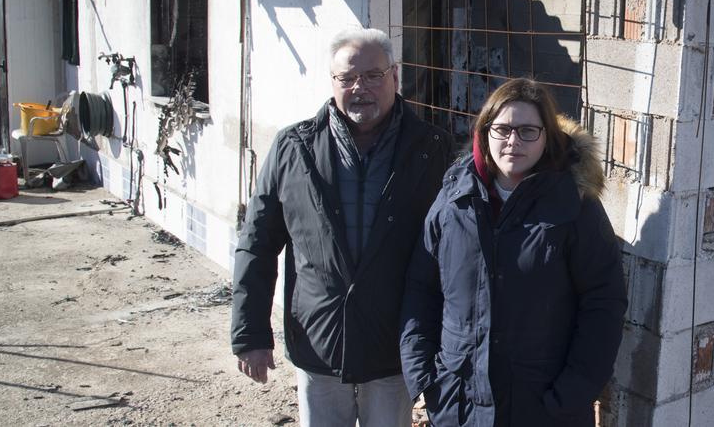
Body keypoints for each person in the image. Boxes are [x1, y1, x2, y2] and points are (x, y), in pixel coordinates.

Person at [231, 28, 452, 426]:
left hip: (394, 344)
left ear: (395, 76)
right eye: (347, 78)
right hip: (319, 341)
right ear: (333, 82)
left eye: (372, 75)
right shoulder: (292, 148)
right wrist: (250, 334)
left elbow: (452, 250)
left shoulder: (432, 149)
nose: (359, 88)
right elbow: (257, 244)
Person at [400, 78, 627, 426]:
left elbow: (603, 303)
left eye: (527, 131)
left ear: (547, 135)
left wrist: (573, 393)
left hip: (543, 407)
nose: (513, 141)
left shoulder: (574, 206)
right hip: (459, 403)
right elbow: (421, 286)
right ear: (484, 131)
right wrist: (424, 378)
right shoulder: (453, 198)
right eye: (502, 129)